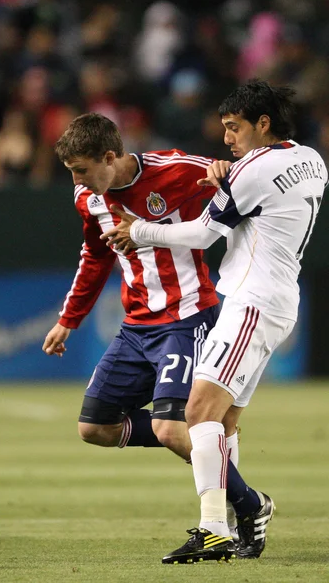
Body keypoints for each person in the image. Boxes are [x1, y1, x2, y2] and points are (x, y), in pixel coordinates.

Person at [101, 80, 328, 564]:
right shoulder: (311, 159)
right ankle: (243, 522)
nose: (226, 139)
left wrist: (139, 229)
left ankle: (213, 529)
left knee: (198, 412)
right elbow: (265, 205)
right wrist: (230, 182)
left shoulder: (253, 168)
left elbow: (205, 234)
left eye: (234, 127)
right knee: (224, 421)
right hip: (279, 300)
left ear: (263, 124)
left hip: (251, 301)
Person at [42, 112, 274, 560]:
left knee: (171, 427)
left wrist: (224, 170)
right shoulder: (88, 199)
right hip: (136, 328)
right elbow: (95, 254)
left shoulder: (175, 170)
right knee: (95, 428)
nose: (79, 182)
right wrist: (69, 318)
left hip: (187, 319)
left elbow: (232, 179)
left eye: (82, 171)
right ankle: (251, 499)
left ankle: (238, 509)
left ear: (110, 156)